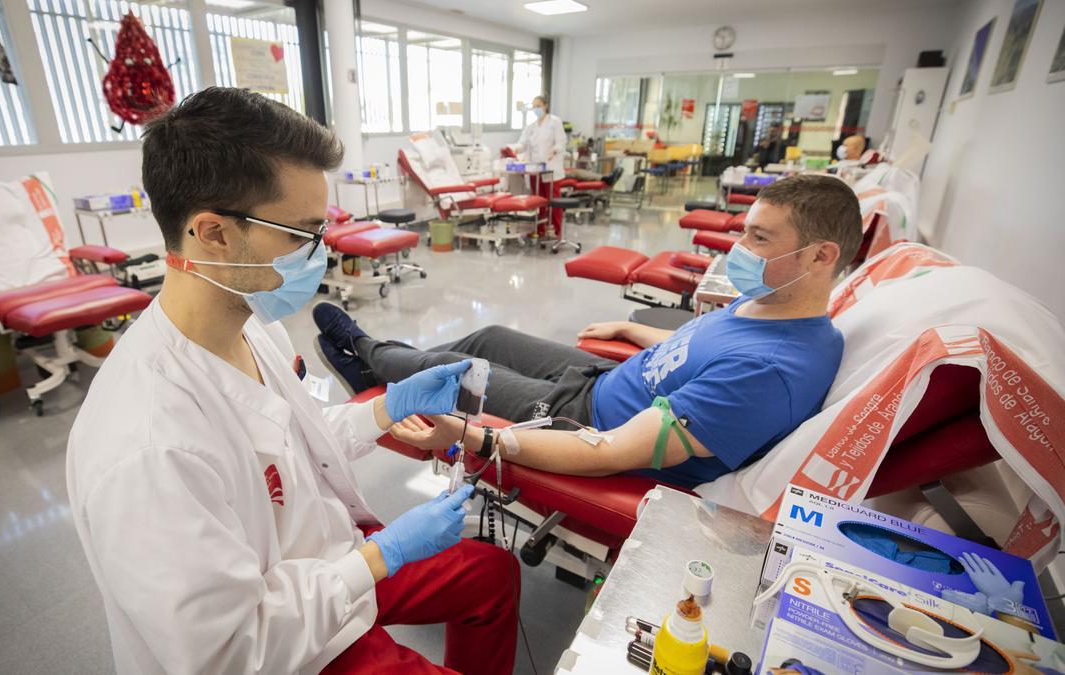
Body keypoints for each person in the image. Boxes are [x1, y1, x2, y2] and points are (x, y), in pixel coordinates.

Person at [66, 87, 519, 675]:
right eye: (301, 234)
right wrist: (384, 554)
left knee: (492, 574)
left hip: (324, 561)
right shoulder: (149, 447)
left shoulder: (251, 325)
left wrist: (386, 410)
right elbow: (232, 650)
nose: (320, 253)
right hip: (287, 644)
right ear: (214, 233)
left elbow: (285, 442)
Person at [315, 174, 861, 488]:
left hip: (584, 420)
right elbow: (697, 351)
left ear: (820, 255)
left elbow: (610, 453)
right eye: (745, 232)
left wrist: (469, 435)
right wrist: (629, 327)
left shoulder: (770, 374)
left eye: (760, 239)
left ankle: (364, 352)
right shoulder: (768, 304)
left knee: (449, 372)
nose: (741, 250)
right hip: (605, 377)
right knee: (487, 337)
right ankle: (386, 363)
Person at [511, 94, 567, 238]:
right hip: (536, 170)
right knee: (539, 201)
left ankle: (557, 230)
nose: (536, 109)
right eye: (534, 106)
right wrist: (515, 148)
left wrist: (554, 150)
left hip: (551, 169)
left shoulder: (555, 122)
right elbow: (522, 143)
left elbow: (561, 142)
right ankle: (540, 229)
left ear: (545, 106)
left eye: (538, 106)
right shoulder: (531, 127)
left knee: (553, 201)